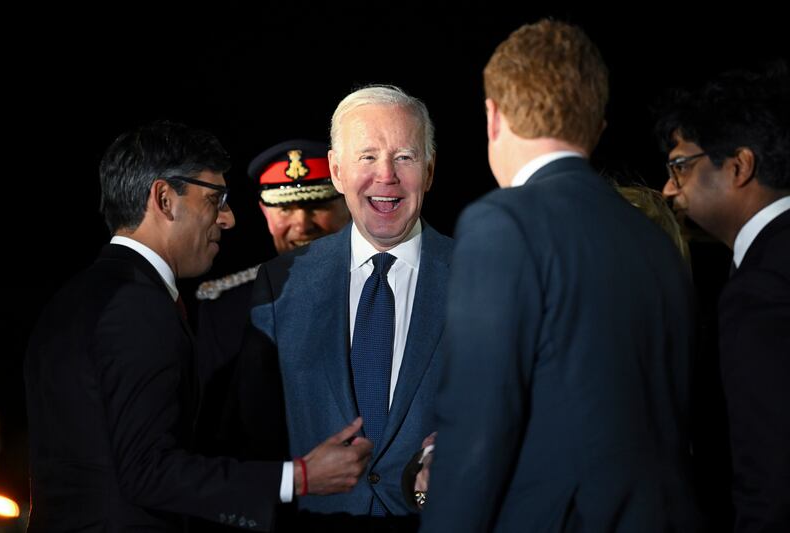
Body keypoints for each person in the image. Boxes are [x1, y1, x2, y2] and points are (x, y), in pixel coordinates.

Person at [421, 20, 701, 532]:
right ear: (596, 124)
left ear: (493, 116)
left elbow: (478, 429)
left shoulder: (501, 224)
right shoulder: (654, 238)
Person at [24, 120, 372, 532]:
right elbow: (149, 471)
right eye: (215, 200)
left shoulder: (74, 299)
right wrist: (300, 477)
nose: (228, 220)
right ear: (165, 199)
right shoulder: (135, 306)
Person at [249, 85, 453, 528]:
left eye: (405, 157)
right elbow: (253, 439)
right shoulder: (278, 284)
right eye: (367, 157)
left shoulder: (484, 279)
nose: (386, 176)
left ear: (430, 170)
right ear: (337, 172)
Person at [657, 63, 790, 533]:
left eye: (680, 166)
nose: (669, 188)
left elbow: (769, 476)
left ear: (739, 166)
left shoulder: (761, 289)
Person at [194, 140, 350, 462]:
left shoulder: (394, 292)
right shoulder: (226, 311)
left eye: (318, 204)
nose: (302, 225)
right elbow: (211, 438)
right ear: (265, 213)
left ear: (350, 207)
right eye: (286, 208)